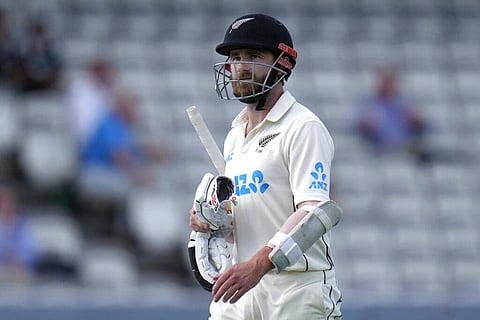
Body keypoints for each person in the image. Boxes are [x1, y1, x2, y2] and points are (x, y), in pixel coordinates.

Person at [189, 14, 342, 319]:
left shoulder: (302, 127)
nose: (240, 67)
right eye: (235, 57)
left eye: (253, 56)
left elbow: (313, 211)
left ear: (283, 63)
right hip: (239, 291)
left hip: (295, 291)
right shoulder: (235, 135)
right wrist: (212, 222)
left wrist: (259, 265)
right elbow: (249, 215)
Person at [352, 66, 429, 162]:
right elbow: (359, 127)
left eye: (390, 81)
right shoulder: (368, 103)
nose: (388, 85)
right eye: (385, 81)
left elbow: (421, 124)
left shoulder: (405, 102)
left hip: (405, 149)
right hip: (378, 150)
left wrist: (416, 120)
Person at [0, 183, 37, 283]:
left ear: (14, 204)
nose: (5, 206)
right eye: (3, 202)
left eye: (8, 202)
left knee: (21, 275)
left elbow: (31, 253)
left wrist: (18, 259)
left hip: (19, 269)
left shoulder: (24, 226)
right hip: (2, 268)